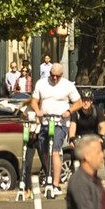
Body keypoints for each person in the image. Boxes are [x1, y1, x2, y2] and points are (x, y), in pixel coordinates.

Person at [31, 59, 79, 187]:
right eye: (52, 75)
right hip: (45, 122)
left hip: (60, 123)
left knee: (55, 151)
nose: (54, 78)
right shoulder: (41, 84)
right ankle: (49, 175)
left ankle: (55, 183)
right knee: (44, 152)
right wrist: (37, 110)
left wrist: (69, 111)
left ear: (61, 75)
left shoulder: (67, 85)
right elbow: (34, 101)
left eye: (57, 76)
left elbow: (78, 102)